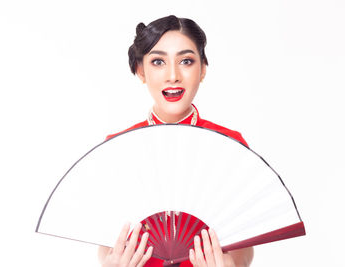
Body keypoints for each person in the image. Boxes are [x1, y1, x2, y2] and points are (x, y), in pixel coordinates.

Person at [98, 15, 254, 267]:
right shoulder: (117, 147)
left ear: (203, 69)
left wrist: (231, 265)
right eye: (158, 61)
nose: (173, 75)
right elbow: (106, 243)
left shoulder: (229, 145)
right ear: (141, 70)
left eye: (186, 61)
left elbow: (245, 248)